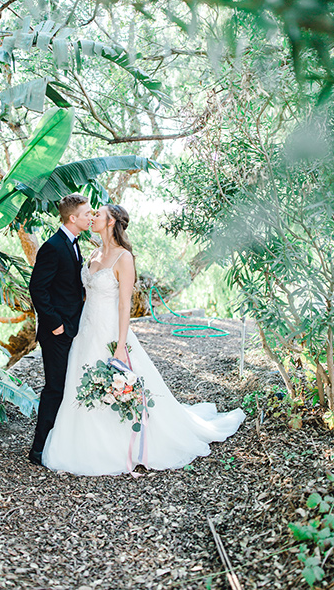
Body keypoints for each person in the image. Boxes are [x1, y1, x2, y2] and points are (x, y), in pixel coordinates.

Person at [42, 204, 245, 476]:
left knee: (116, 385)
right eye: (91, 214)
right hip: (85, 332)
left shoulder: (124, 258)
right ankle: (83, 442)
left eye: (98, 215)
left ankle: (121, 444)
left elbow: (125, 306)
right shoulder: (92, 252)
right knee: (80, 385)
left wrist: (121, 346)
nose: (92, 218)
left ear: (111, 222)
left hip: (111, 333)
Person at [28, 193, 92, 465]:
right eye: (87, 213)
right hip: (57, 333)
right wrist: (56, 326)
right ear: (72, 218)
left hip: (73, 328)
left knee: (65, 386)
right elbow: (37, 289)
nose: (92, 216)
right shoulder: (52, 247)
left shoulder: (74, 244)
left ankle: (59, 442)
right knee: (55, 388)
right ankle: (39, 448)